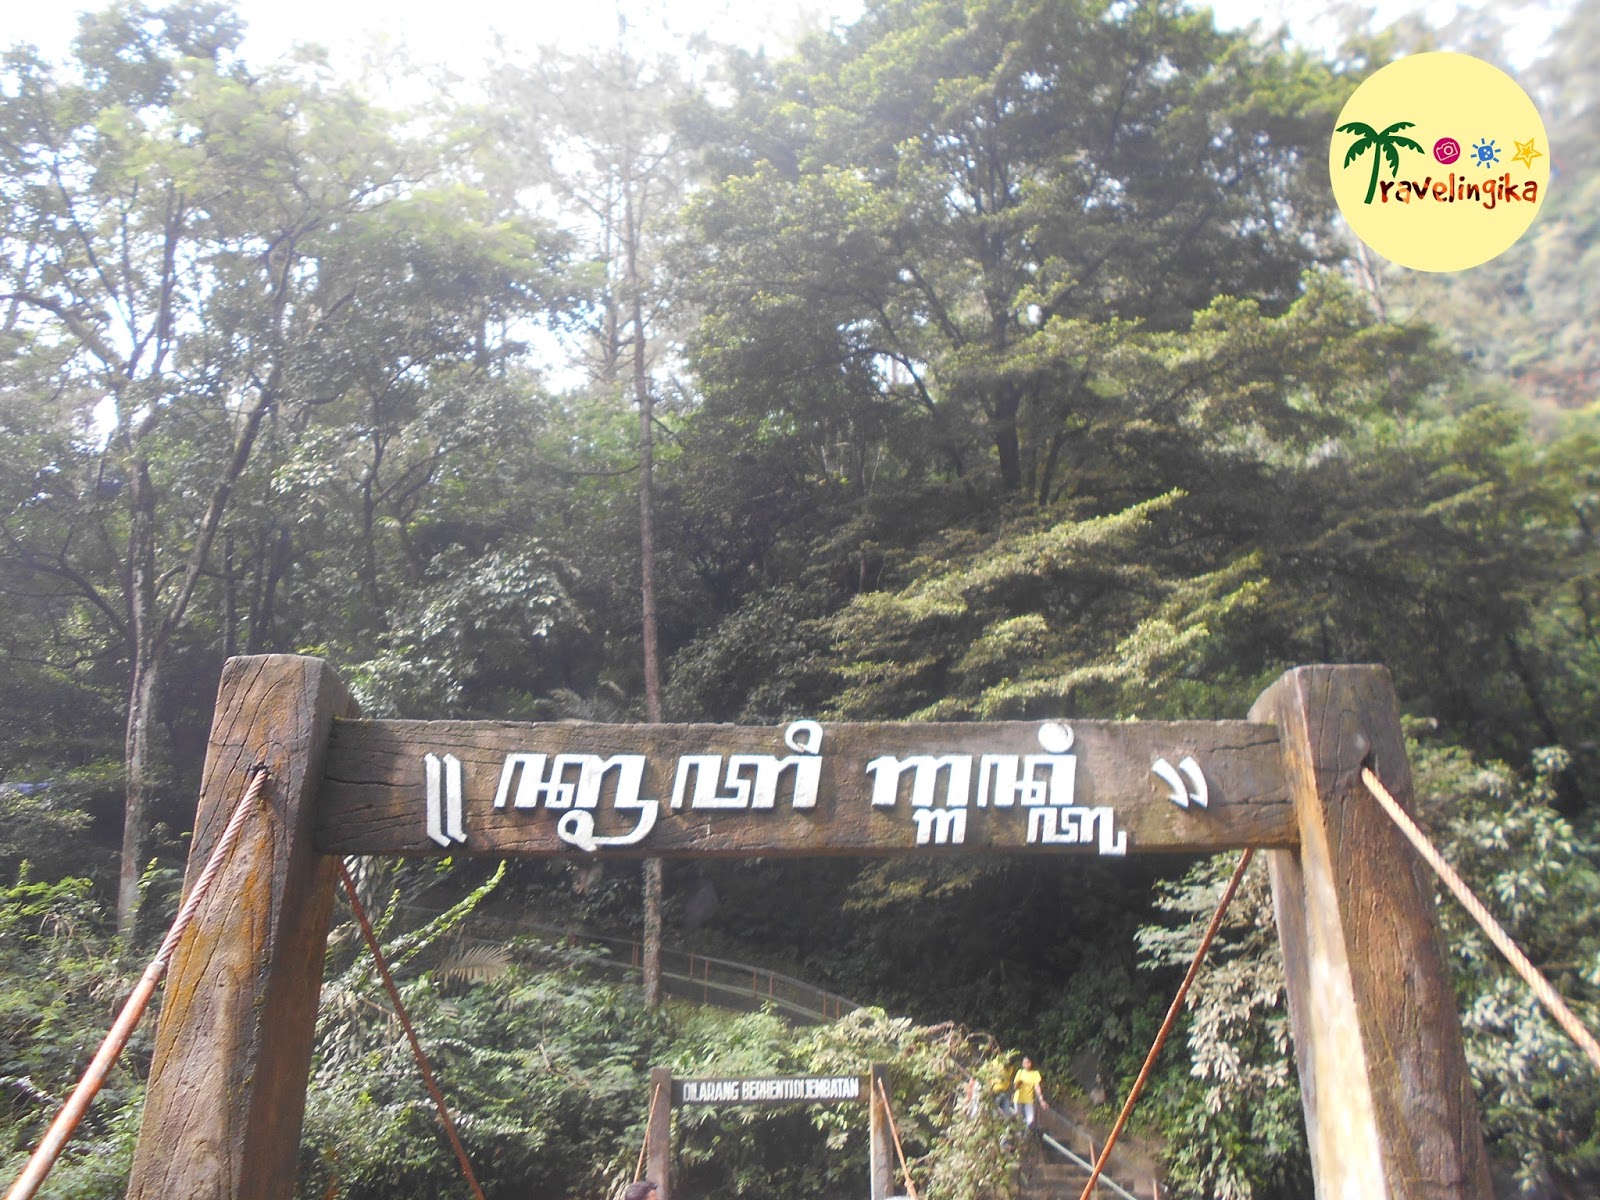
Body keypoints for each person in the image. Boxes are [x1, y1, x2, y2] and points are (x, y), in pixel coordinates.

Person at [1011, 1056, 1048, 1129]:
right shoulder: (1020, 1072)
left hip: (1028, 1100)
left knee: (1030, 1120)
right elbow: (1015, 1087)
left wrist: (1041, 1100)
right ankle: (1018, 1134)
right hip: (1018, 1099)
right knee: (1019, 1119)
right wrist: (1018, 1084)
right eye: (1024, 1063)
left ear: (1030, 1063)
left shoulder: (1035, 1074)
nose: (1025, 1064)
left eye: (1027, 1062)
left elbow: (1037, 1087)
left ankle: (1026, 1135)